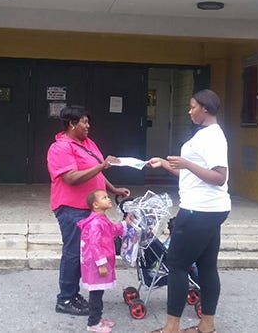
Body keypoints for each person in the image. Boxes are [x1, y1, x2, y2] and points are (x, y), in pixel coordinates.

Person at [146, 89, 230, 333]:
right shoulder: (205, 134)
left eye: (193, 107)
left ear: (205, 108)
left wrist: (186, 163)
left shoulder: (212, 137)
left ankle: (171, 328)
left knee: (177, 265)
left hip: (198, 211)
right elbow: (192, 176)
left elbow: (219, 177)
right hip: (210, 210)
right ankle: (207, 326)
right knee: (207, 265)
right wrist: (165, 164)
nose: (189, 111)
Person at [47, 105, 131, 316]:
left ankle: (73, 294)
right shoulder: (60, 148)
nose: (88, 126)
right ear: (71, 124)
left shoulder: (87, 143)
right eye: (84, 122)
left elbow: (96, 172)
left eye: (88, 122)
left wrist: (113, 189)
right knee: (73, 253)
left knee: (83, 254)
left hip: (90, 209)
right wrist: (101, 166)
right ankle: (65, 299)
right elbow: (71, 178)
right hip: (71, 208)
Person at [77, 189, 133, 332]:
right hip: (95, 264)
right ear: (95, 205)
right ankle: (93, 323)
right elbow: (94, 245)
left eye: (107, 197)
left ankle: (97, 318)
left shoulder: (102, 219)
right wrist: (101, 264)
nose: (108, 199)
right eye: (104, 197)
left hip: (98, 262)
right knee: (96, 294)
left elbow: (112, 229)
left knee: (98, 292)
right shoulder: (96, 223)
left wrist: (125, 223)